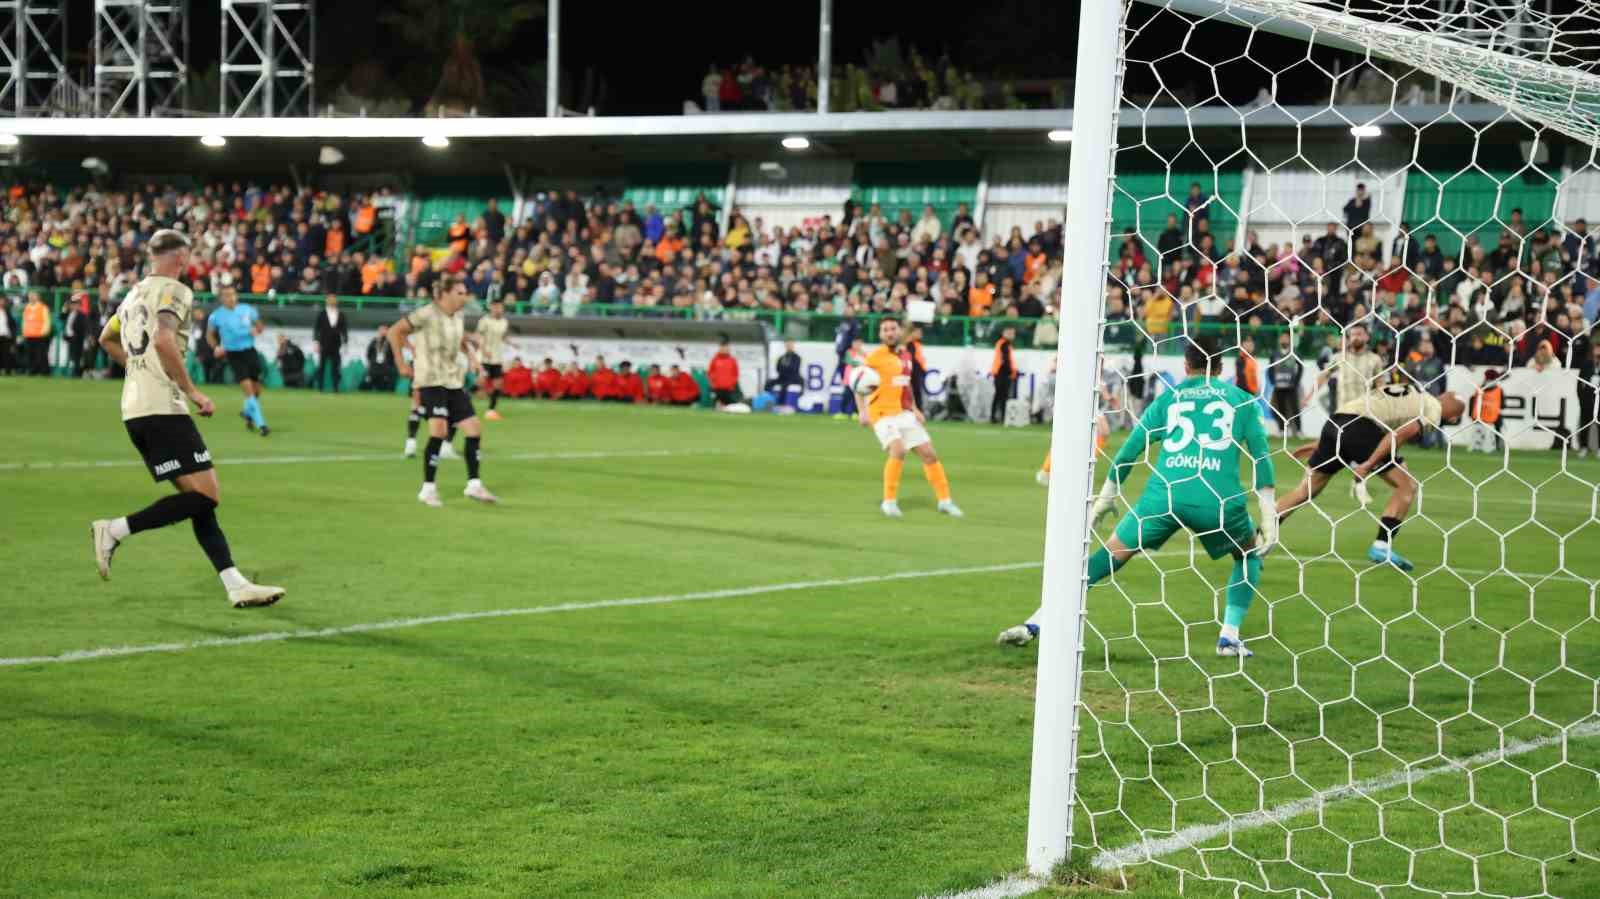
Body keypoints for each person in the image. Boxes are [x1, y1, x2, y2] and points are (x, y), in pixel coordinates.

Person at [998, 337, 1276, 657]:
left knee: (1108, 557)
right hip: (1218, 501)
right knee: (1248, 555)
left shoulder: (1169, 399)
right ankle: (1229, 637)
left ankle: (1037, 622)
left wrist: (1106, 497)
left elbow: (1129, 451)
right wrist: (1267, 512)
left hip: (1164, 497)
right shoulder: (1242, 400)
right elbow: (1261, 458)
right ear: (1221, 367)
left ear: (1186, 367)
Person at [88, 229, 284, 609]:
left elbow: (105, 340)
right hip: (163, 407)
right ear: (180, 257)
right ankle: (114, 530)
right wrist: (193, 391)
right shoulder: (174, 290)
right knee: (207, 495)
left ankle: (235, 584)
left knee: (199, 500)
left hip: (135, 409)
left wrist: (138, 369)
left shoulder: (132, 295)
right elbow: (163, 339)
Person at [1278, 381, 1467, 572]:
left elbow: (1355, 418)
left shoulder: (1413, 391)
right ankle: (1381, 547)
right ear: (1453, 419)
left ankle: (1263, 532)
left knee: (1305, 490)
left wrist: (1319, 445)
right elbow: (1399, 434)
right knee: (1407, 485)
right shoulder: (1433, 410)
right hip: (1361, 430)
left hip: (1335, 423)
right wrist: (1368, 464)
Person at [388, 276, 498, 507]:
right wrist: (401, 363)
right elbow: (394, 332)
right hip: (430, 379)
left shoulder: (458, 316)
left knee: (473, 429)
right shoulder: (426, 314)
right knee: (439, 431)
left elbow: (458, 341)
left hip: (452, 381)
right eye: (459, 292)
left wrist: (472, 359)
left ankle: (474, 485)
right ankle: (427, 489)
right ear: (445, 294)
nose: (464, 297)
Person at [860, 318, 962, 519]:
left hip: (903, 413)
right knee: (898, 449)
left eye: (892, 329)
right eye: (885, 330)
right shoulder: (874, 358)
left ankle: (945, 501)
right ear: (880, 335)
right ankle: (889, 502)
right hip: (881, 414)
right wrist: (862, 410)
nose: (889, 333)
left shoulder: (906, 355)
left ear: (899, 332)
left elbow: (906, 385)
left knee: (929, 454)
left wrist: (914, 408)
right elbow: (857, 382)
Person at [207, 285, 270, 436]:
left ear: (236, 296)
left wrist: (258, 330)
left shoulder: (248, 310)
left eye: (232, 294)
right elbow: (209, 335)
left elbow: (260, 326)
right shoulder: (216, 316)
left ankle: (248, 413)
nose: (230, 298)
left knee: (257, 389)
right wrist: (216, 347)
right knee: (248, 389)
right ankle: (262, 425)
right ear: (222, 298)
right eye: (226, 295)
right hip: (233, 354)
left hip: (250, 351)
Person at [1304, 322, 1383, 418]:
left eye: (1359, 334)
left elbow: (1380, 383)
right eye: (1353, 335)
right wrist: (1309, 396)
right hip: (1344, 409)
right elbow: (1323, 375)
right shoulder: (1339, 357)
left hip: (1365, 410)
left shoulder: (1374, 359)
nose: (1355, 337)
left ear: (1367, 337)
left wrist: (1383, 402)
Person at [474, 299, 510, 420]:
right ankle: (464, 400)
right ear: (491, 308)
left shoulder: (504, 322)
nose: (498, 309)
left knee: (498, 384)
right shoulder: (484, 321)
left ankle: (491, 410)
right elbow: (478, 336)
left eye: (500, 307)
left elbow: (503, 336)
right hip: (485, 357)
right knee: (481, 382)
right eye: (496, 307)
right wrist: (483, 350)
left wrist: (511, 343)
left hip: (497, 358)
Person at [1269, 331, 1304, 437]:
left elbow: (1301, 367)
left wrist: (1296, 382)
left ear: (1290, 340)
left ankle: (1298, 430)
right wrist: (1272, 381)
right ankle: (1282, 430)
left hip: (1291, 386)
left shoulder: (1295, 353)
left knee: (1295, 408)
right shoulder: (1274, 354)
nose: (1284, 340)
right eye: (1282, 338)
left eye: (1286, 338)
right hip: (1279, 386)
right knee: (1280, 409)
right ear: (1279, 340)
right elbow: (1270, 369)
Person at [312, 293, 348, 392]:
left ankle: (336, 388)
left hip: (336, 344)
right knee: (321, 366)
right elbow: (317, 329)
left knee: (336, 367)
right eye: (330, 299)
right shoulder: (322, 314)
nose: (332, 301)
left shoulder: (341, 314)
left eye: (334, 299)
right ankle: (320, 388)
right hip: (323, 343)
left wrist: (345, 343)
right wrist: (316, 342)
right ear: (326, 301)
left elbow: (344, 330)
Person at [990, 324, 1017, 424]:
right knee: (1002, 395)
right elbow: (1005, 360)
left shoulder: (1003, 344)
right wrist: (1011, 371)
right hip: (1002, 373)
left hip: (1000, 373)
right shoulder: (1004, 344)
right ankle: (1000, 417)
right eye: (1009, 333)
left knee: (999, 395)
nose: (1011, 335)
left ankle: (995, 417)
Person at [21, 290, 51, 375]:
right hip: (29, 334)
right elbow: (24, 321)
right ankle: (32, 370)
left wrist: (44, 331)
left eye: (33, 296)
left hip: (40, 335)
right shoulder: (27, 307)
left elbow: (46, 321)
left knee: (41, 354)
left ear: (38, 297)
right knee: (30, 354)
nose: (31, 297)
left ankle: (44, 371)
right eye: (30, 296)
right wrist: (24, 331)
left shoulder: (43, 307)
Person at [364, 323, 398, 392]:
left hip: (387, 365)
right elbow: (368, 353)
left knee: (389, 374)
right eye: (381, 329)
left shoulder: (391, 341)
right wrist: (372, 361)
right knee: (370, 375)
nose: (382, 331)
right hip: (375, 365)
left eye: (384, 329)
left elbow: (395, 354)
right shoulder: (374, 341)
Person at [771, 339, 804, 408]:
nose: (789, 346)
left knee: (784, 386)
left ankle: (781, 405)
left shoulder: (797, 357)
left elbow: (794, 369)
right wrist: (784, 370)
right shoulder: (782, 357)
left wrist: (784, 369)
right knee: (769, 382)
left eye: (790, 345)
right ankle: (769, 401)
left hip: (793, 378)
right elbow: (778, 368)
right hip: (782, 377)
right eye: (787, 345)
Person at [708, 339, 740, 407]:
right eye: (723, 347)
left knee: (729, 406)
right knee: (716, 406)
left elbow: (736, 374)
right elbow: (710, 372)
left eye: (726, 347)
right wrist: (713, 383)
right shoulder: (715, 359)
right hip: (717, 388)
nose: (725, 349)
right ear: (720, 348)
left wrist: (731, 383)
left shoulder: (732, 360)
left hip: (728, 389)